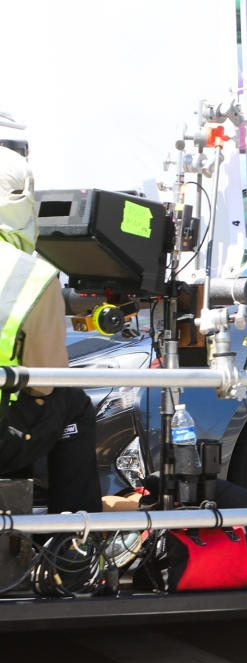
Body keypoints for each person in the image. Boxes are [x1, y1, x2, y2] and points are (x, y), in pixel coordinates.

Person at [0, 146, 101, 514]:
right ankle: (73, 551)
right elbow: (46, 381)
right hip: (4, 437)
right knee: (71, 405)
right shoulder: (33, 276)